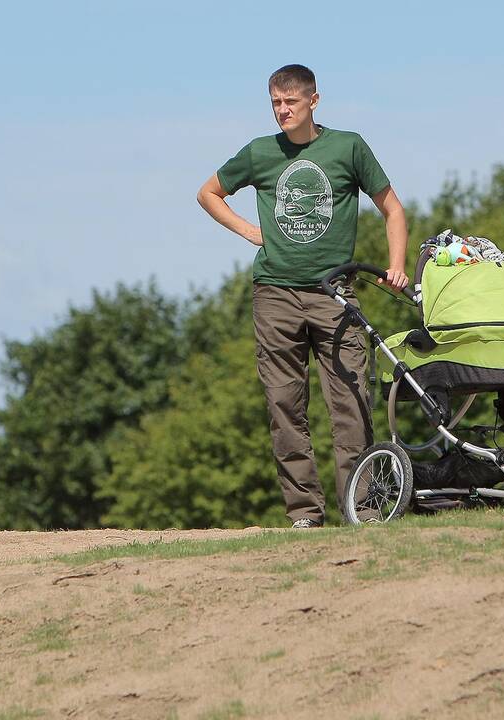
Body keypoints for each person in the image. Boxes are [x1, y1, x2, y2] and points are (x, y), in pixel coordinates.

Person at [196, 64, 409, 528]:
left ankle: (364, 510)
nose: (282, 111)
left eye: (290, 102)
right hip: (274, 294)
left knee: (351, 405)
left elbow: (392, 208)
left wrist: (396, 265)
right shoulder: (259, 152)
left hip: (335, 294)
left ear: (314, 101)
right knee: (284, 406)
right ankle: (305, 514)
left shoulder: (348, 146)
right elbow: (208, 193)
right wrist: (250, 231)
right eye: (275, 102)